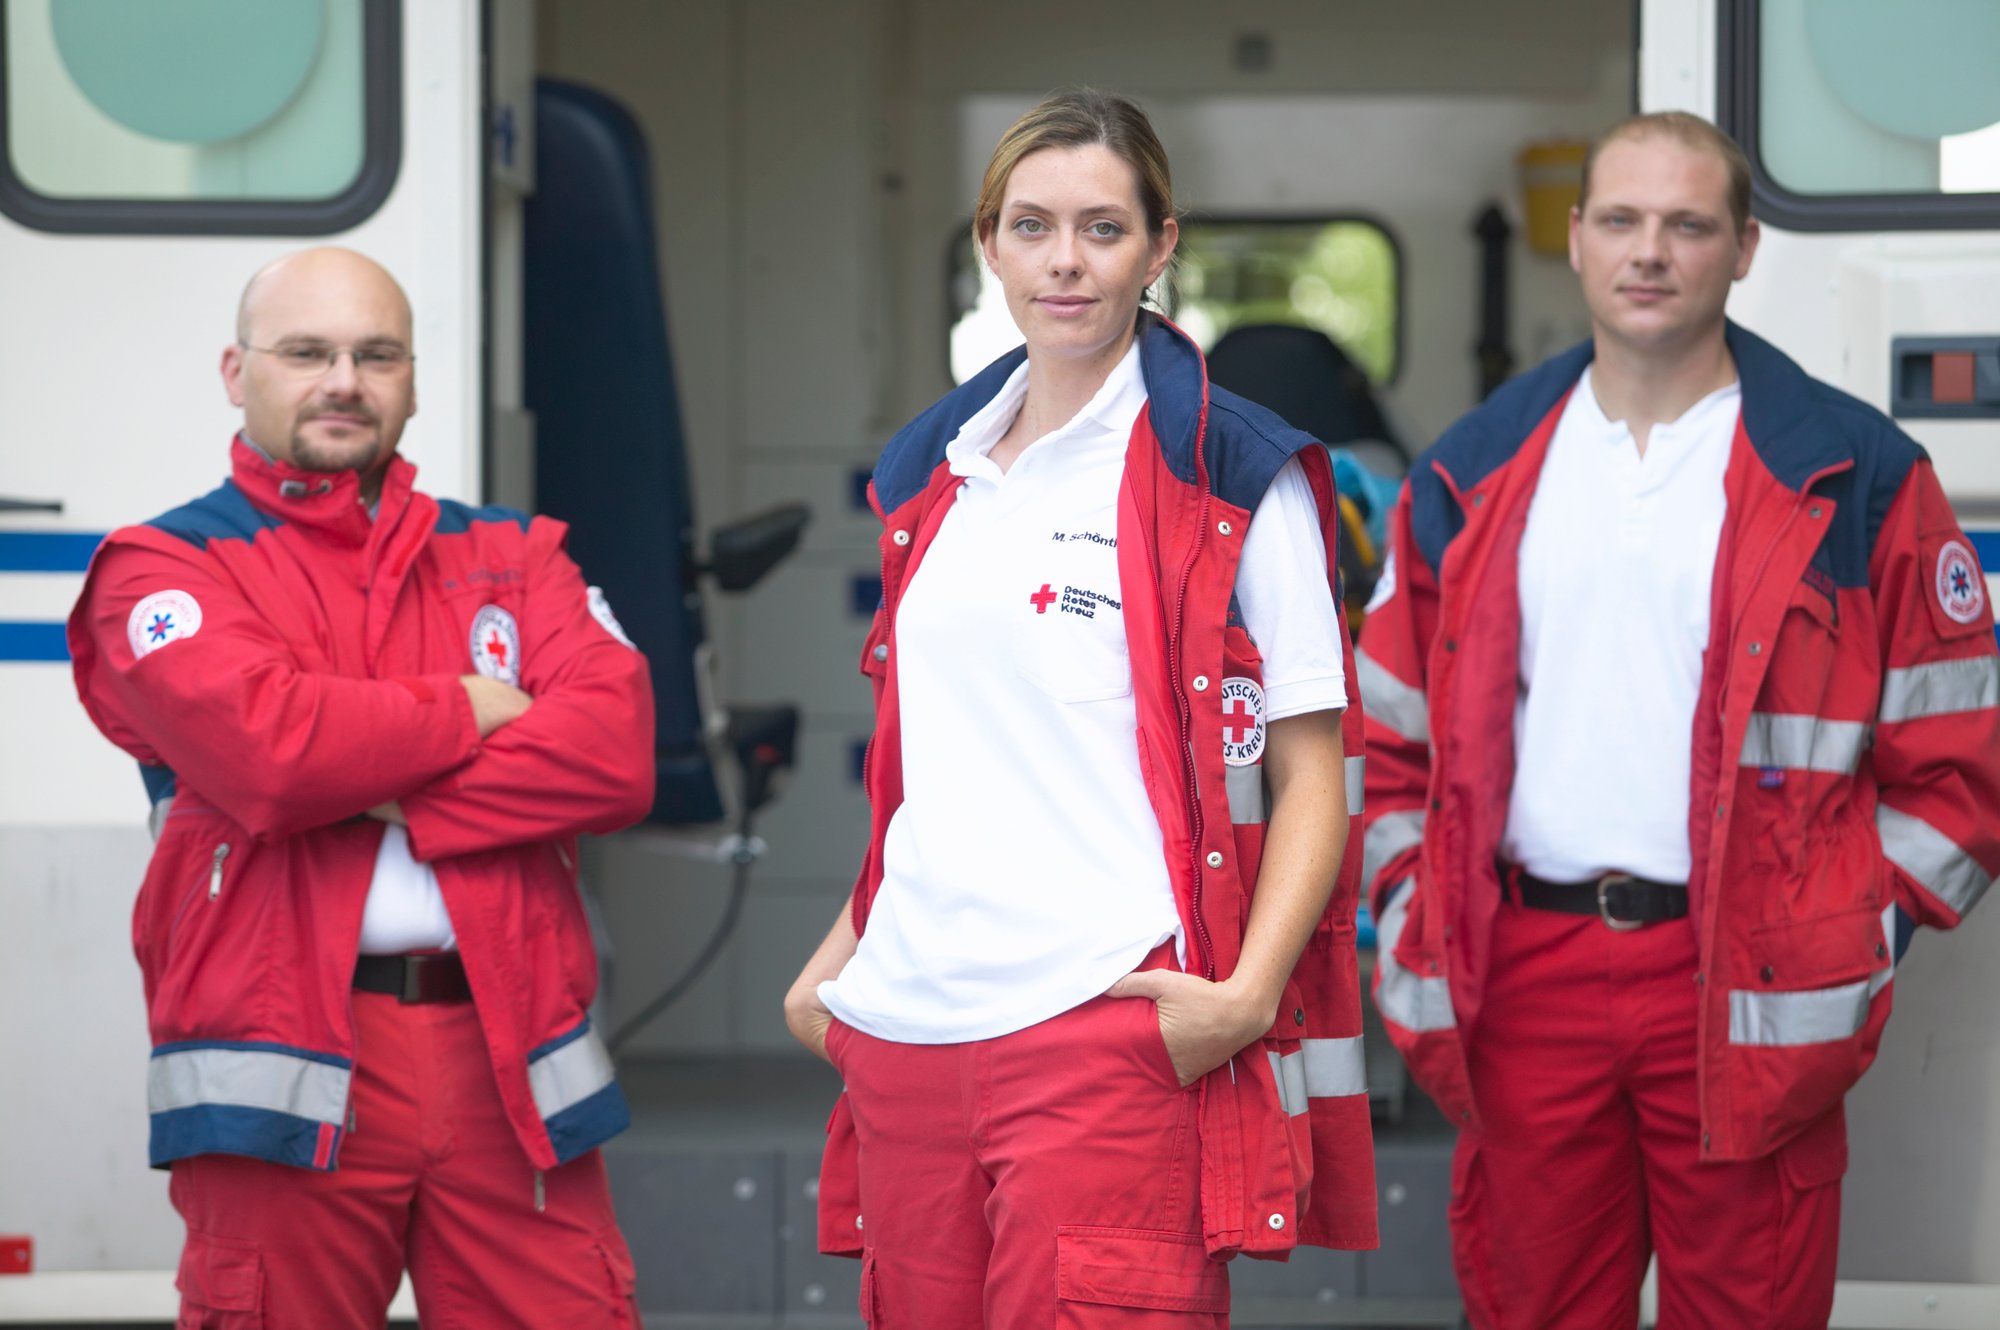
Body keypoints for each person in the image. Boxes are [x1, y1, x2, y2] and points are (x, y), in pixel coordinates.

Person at [1358, 112, 2000, 1329]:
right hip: (1523, 974)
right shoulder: (1471, 471)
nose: (1648, 252)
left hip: (1745, 971)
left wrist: (1850, 926)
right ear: (1575, 238)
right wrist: (1406, 908)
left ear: (1743, 248)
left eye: (1686, 225)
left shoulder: (1852, 475)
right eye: (1620, 221)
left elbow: (1959, 756)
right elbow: (1381, 734)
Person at [782, 89, 1376, 1328]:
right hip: (905, 1031)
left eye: (1102, 228)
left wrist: (1247, 997)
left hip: (1103, 1032)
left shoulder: (1228, 471)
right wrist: (837, 968)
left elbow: (1310, 770)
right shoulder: (933, 475)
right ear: (988, 243)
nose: (1065, 261)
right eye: (1032, 225)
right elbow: (941, 762)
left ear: (1161, 247)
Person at [67, 247, 657, 1328]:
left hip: (506, 1055)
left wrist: (370, 776)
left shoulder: (512, 554)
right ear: (236, 372)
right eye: (307, 352)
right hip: (282, 1057)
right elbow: (268, 757)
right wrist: (468, 709)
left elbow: (614, 754)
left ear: (415, 383)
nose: (344, 378)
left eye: (375, 354)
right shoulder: (165, 568)